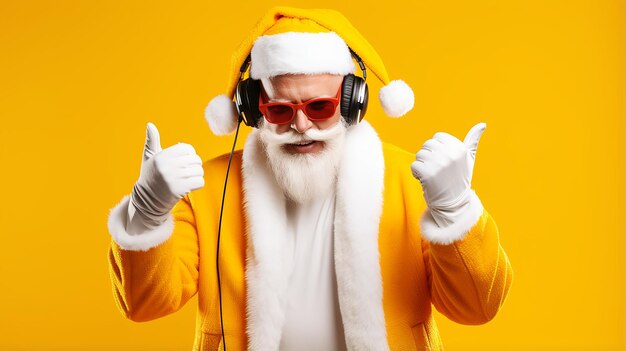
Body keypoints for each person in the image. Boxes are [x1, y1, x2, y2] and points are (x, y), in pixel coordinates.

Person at [106, 6, 513, 351]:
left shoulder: (414, 181)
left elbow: (477, 308)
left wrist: (455, 208)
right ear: (253, 109)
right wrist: (146, 213)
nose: (301, 125)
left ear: (354, 101)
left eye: (320, 106)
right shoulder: (207, 188)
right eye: (280, 110)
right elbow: (144, 306)